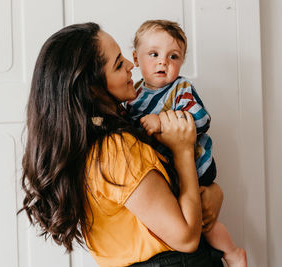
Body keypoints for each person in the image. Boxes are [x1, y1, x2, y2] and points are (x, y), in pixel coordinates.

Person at [18, 22, 225, 266]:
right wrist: (182, 151)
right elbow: (186, 238)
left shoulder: (89, 144)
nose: (130, 65)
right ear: (92, 88)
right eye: (118, 64)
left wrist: (213, 192)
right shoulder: (116, 149)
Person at [126, 20, 246, 267]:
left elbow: (202, 118)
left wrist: (162, 121)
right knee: (180, 219)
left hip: (196, 165)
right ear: (136, 59)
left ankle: (232, 252)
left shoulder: (180, 88)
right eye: (154, 54)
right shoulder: (133, 96)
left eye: (173, 56)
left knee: (203, 222)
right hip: (167, 170)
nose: (163, 62)